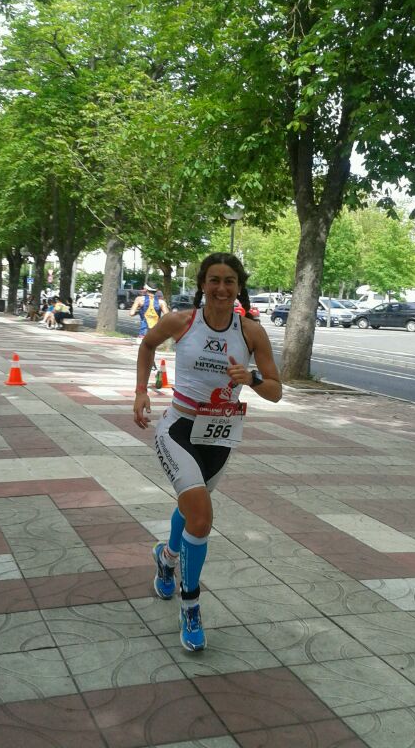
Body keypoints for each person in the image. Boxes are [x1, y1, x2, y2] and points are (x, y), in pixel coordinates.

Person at [133, 253, 282, 651]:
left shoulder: (251, 332)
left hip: (219, 435)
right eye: (214, 280)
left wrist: (251, 378)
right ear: (202, 284)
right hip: (178, 428)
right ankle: (191, 604)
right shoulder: (181, 322)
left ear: (238, 287)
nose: (221, 288)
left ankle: (166, 557)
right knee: (201, 516)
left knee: (191, 512)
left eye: (229, 281)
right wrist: (141, 392)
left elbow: (276, 391)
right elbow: (147, 345)